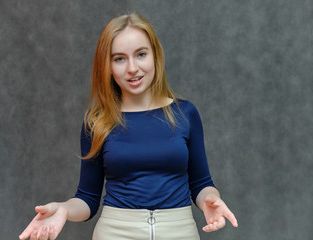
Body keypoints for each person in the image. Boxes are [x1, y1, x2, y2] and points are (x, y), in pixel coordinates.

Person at [19, 13, 238, 240]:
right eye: (119, 59)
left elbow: (201, 183)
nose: (132, 68)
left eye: (141, 54)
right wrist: (63, 209)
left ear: (155, 56)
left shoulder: (185, 114)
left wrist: (211, 200)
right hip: (115, 233)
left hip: (180, 231)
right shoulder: (97, 122)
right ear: (108, 66)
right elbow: (88, 198)